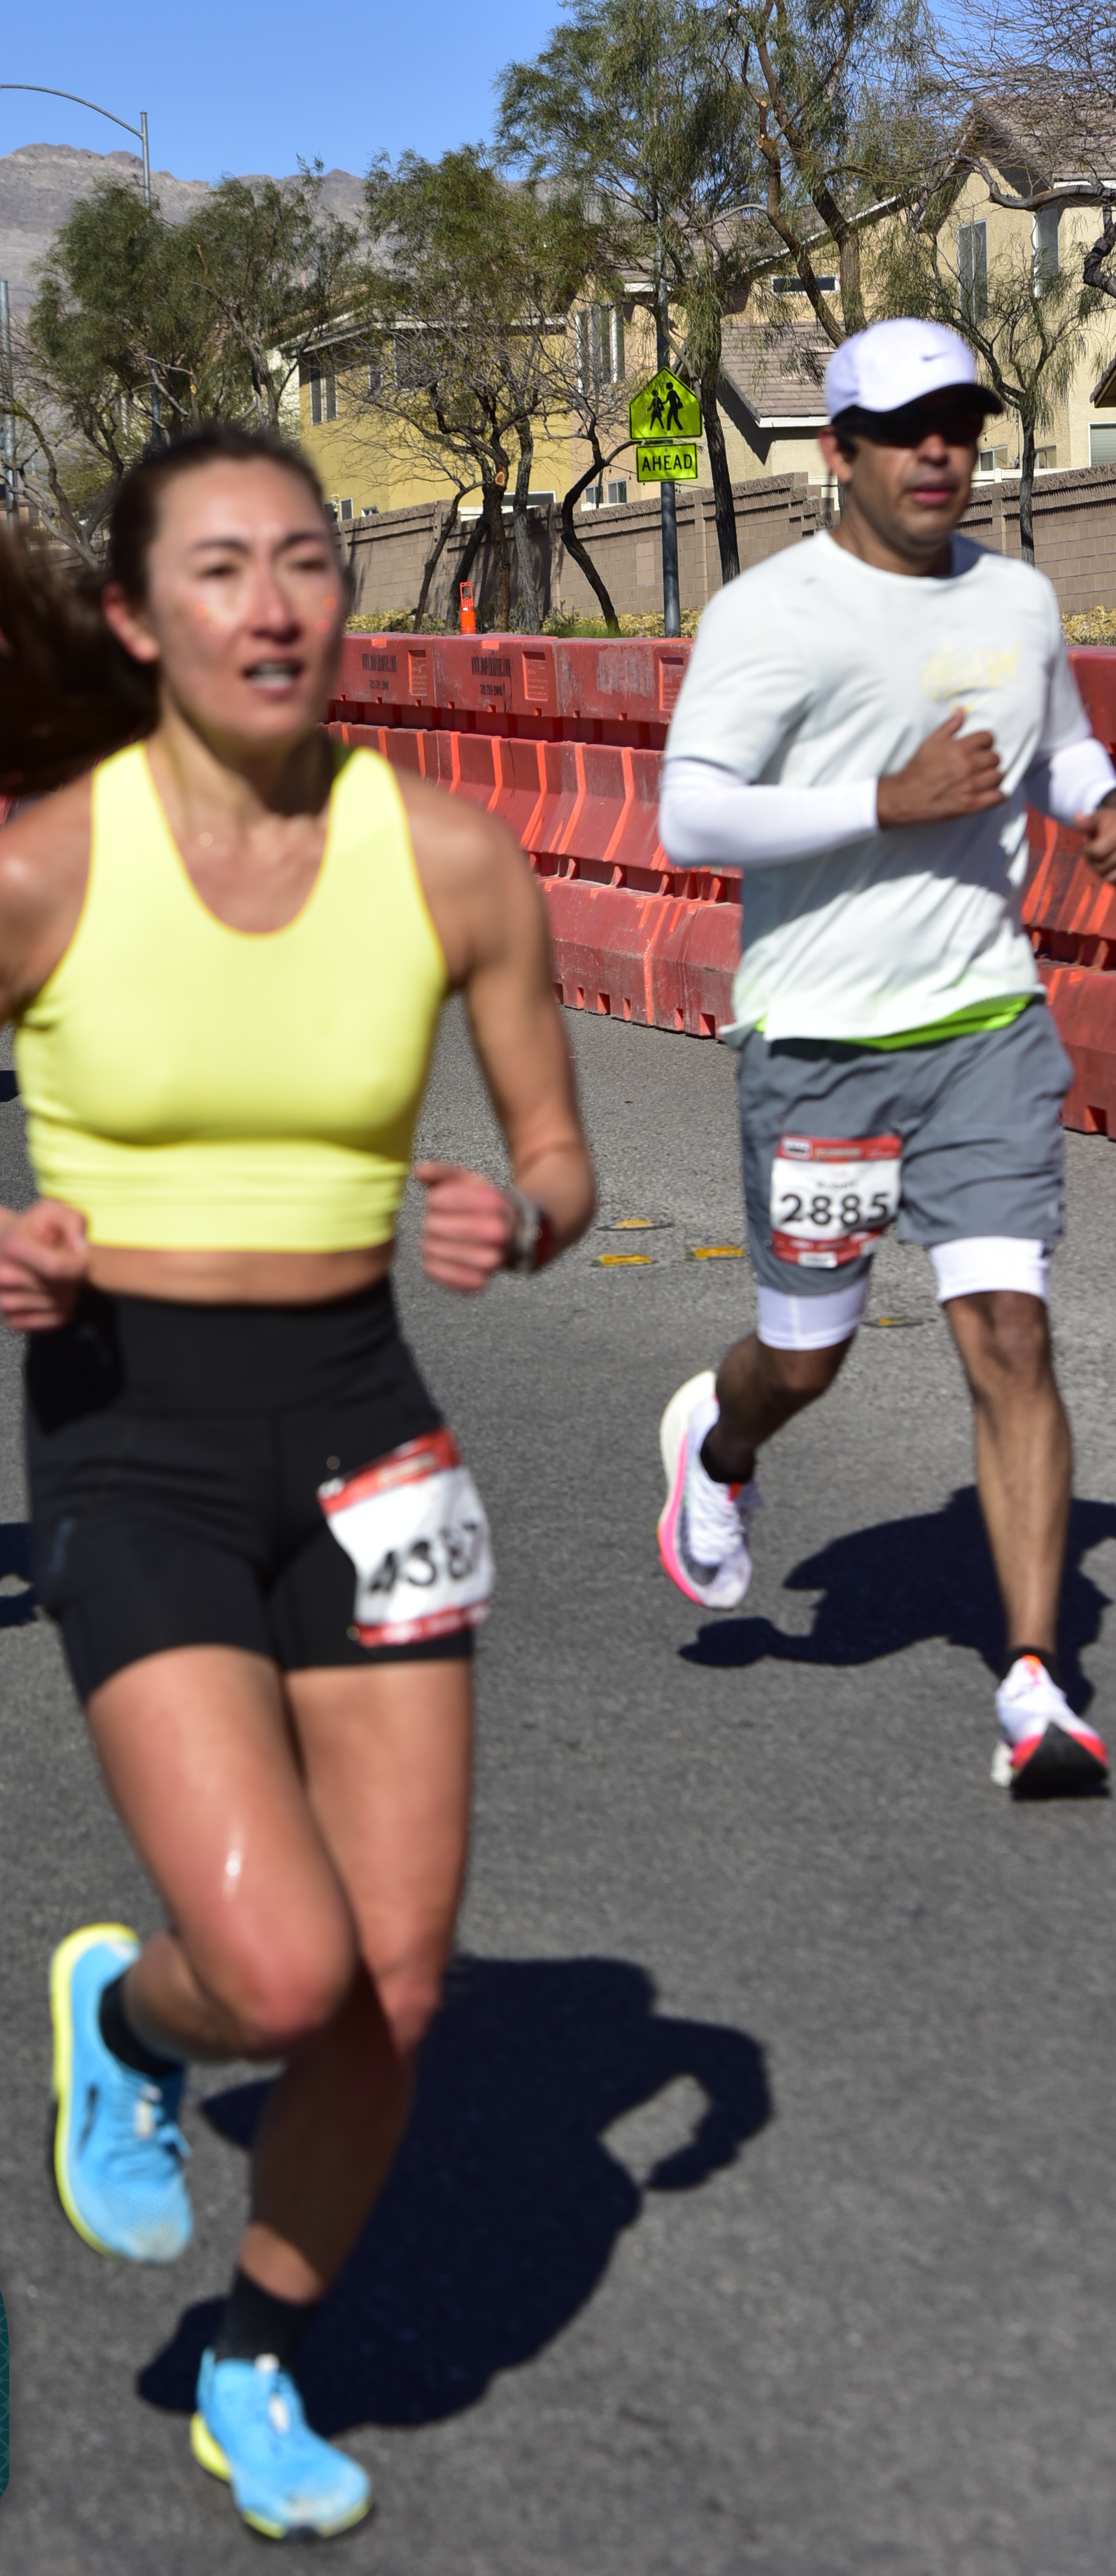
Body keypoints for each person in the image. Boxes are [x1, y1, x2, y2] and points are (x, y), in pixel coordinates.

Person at [0, 425, 595, 2538]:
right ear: (133, 616)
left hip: (369, 1426)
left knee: (397, 1981)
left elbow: (555, 1149)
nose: (269, 604)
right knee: (275, 1971)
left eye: (302, 560)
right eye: (216, 567)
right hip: (132, 1426)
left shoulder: (444, 858)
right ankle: (129, 2009)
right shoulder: (43, 871)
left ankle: (257, 2353)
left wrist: (525, 1214)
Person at [656, 317, 1116, 1798]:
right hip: (821, 1046)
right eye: (909, 429)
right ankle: (719, 1447)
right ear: (838, 451)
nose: (939, 452)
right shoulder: (770, 613)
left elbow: (1055, 744)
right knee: (805, 1358)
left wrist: (1095, 801)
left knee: (1009, 1334)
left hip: (983, 1023)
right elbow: (690, 815)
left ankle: (1035, 1685)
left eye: (961, 426)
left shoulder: (1019, 599)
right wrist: (885, 799)